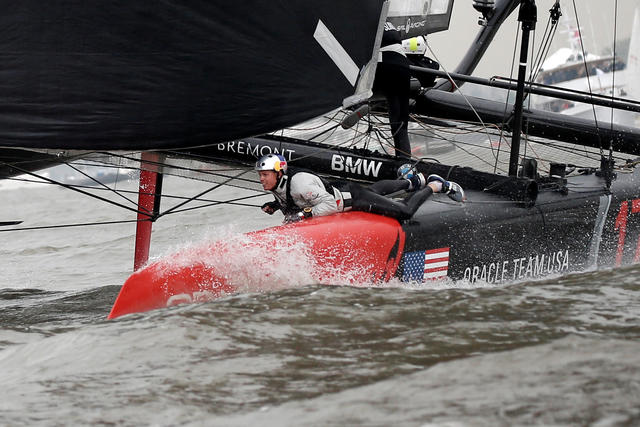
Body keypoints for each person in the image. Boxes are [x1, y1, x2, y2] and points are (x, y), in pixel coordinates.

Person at [255, 154, 464, 223]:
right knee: (374, 190)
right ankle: (412, 182)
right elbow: (295, 200)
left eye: (265, 175)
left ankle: (435, 185)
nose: (262, 179)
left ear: (279, 172)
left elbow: (331, 205)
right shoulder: (280, 185)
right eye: (261, 175)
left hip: (353, 200)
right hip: (345, 191)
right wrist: (275, 205)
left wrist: (301, 216)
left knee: (404, 212)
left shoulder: (300, 182)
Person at [373, 22, 412, 159]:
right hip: (403, 67)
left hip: (383, 67)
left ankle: (363, 101)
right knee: (401, 122)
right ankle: (405, 163)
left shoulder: (367, 19)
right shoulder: (389, 23)